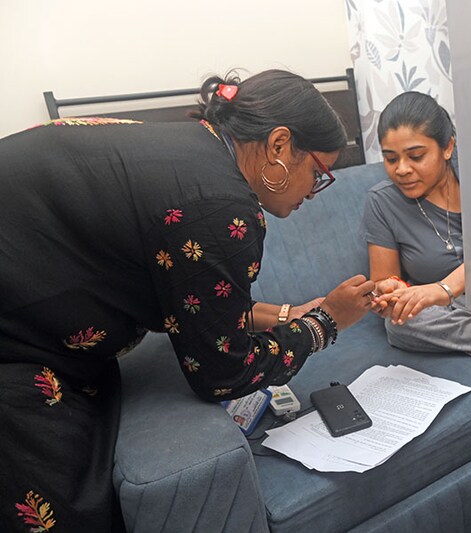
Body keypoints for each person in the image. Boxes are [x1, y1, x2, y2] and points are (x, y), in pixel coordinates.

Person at [0, 69, 375, 532]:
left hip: (27, 306)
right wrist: (325, 323)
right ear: (279, 146)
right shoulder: (218, 204)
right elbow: (224, 373)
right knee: (65, 499)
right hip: (15, 339)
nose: (313, 194)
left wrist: (287, 315)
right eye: (318, 174)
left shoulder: (195, 151)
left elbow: (191, 300)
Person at [362, 91, 471, 354]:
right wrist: (392, 290)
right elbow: (383, 282)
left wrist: (445, 288)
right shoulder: (382, 202)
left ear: (448, 147)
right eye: (391, 159)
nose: (402, 169)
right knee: (401, 325)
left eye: (416, 156)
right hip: (451, 308)